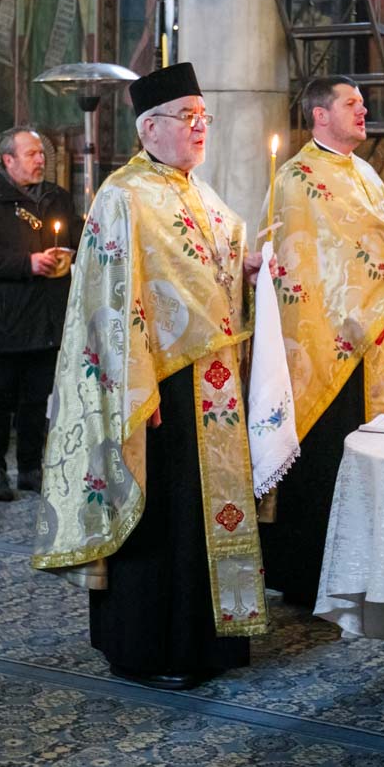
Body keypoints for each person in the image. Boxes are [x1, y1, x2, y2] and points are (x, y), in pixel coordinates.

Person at [36, 63, 266, 689]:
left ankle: (208, 641)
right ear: (150, 127)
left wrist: (245, 267)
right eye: (188, 118)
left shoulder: (198, 191)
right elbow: (108, 299)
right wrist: (136, 383)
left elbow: (210, 266)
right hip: (155, 388)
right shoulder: (123, 195)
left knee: (200, 516)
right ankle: (145, 648)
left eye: (203, 118)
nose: (200, 129)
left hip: (209, 382)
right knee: (160, 517)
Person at [257, 76, 384, 612]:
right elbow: (301, 261)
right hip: (318, 343)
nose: (363, 110)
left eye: (363, 103)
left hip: (365, 335)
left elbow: (383, 238)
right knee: (319, 459)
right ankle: (304, 573)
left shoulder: (362, 173)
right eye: (351, 103)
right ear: (319, 114)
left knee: (358, 451)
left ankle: (358, 565)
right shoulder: (294, 179)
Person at [0, 127, 79, 501]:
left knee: (36, 396)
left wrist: (71, 251)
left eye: (42, 153)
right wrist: (27, 262)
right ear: (7, 160)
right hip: (6, 313)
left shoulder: (57, 198)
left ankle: (30, 467)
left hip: (47, 313)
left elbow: (73, 237)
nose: (41, 159)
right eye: (31, 154)